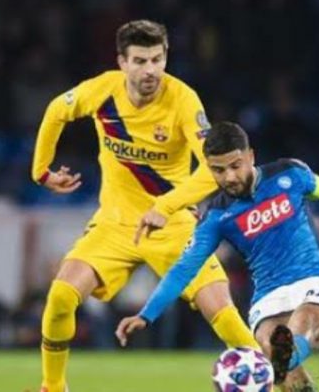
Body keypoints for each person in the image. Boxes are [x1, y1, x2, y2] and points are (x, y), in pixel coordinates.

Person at [32, 20, 258, 392]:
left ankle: (278, 385)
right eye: (140, 61)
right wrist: (41, 171)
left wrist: (165, 207)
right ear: (122, 62)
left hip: (174, 226)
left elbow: (212, 169)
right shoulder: (102, 91)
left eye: (157, 59)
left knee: (223, 313)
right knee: (59, 298)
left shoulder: (183, 100)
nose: (150, 70)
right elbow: (57, 110)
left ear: (165, 57)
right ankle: (53, 387)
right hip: (114, 225)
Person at [115, 122, 319, 392]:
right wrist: (146, 315)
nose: (229, 177)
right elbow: (183, 269)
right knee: (269, 343)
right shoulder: (216, 217)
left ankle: (271, 369)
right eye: (218, 170)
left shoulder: (289, 174)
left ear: (251, 156)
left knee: (302, 323)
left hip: (314, 280)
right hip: (269, 295)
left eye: (235, 166)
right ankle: (281, 368)